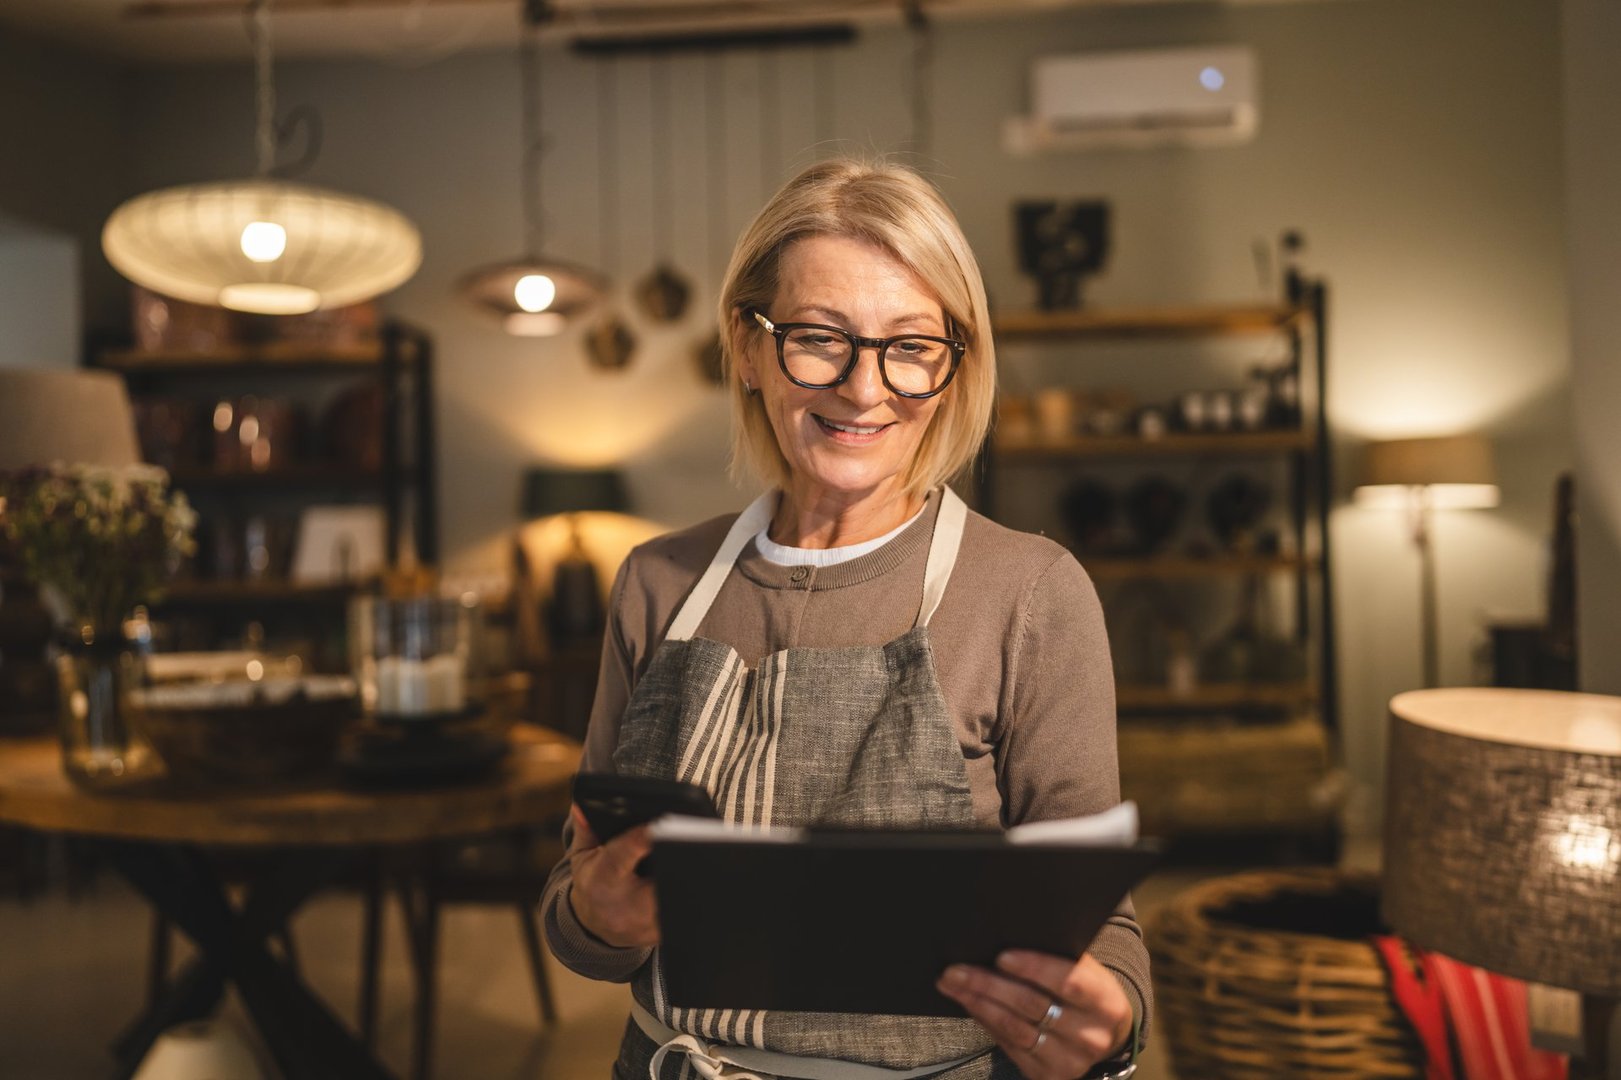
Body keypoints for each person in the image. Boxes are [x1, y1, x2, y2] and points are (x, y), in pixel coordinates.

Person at [541, 158, 1150, 1080]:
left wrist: (1108, 1017)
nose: (865, 389)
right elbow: (577, 907)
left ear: (954, 368)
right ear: (747, 348)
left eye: (909, 345)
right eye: (820, 338)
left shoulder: (1030, 592)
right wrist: (598, 917)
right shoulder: (658, 583)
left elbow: (1102, 929)